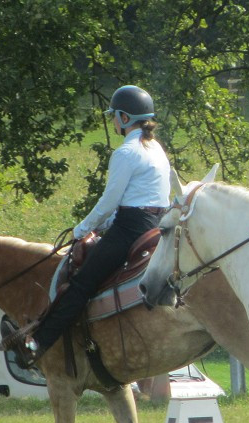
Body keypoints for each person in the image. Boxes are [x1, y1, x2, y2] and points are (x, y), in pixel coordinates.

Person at [22, 85, 172, 361]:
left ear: (125, 118)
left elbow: (109, 201)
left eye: (114, 115)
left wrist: (81, 230)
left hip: (131, 227)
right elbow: (135, 197)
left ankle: (38, 344)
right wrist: (105, 225)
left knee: (81, 284)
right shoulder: (156, 149)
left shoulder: (126, 152)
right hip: (157, 223)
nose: (113, 120)